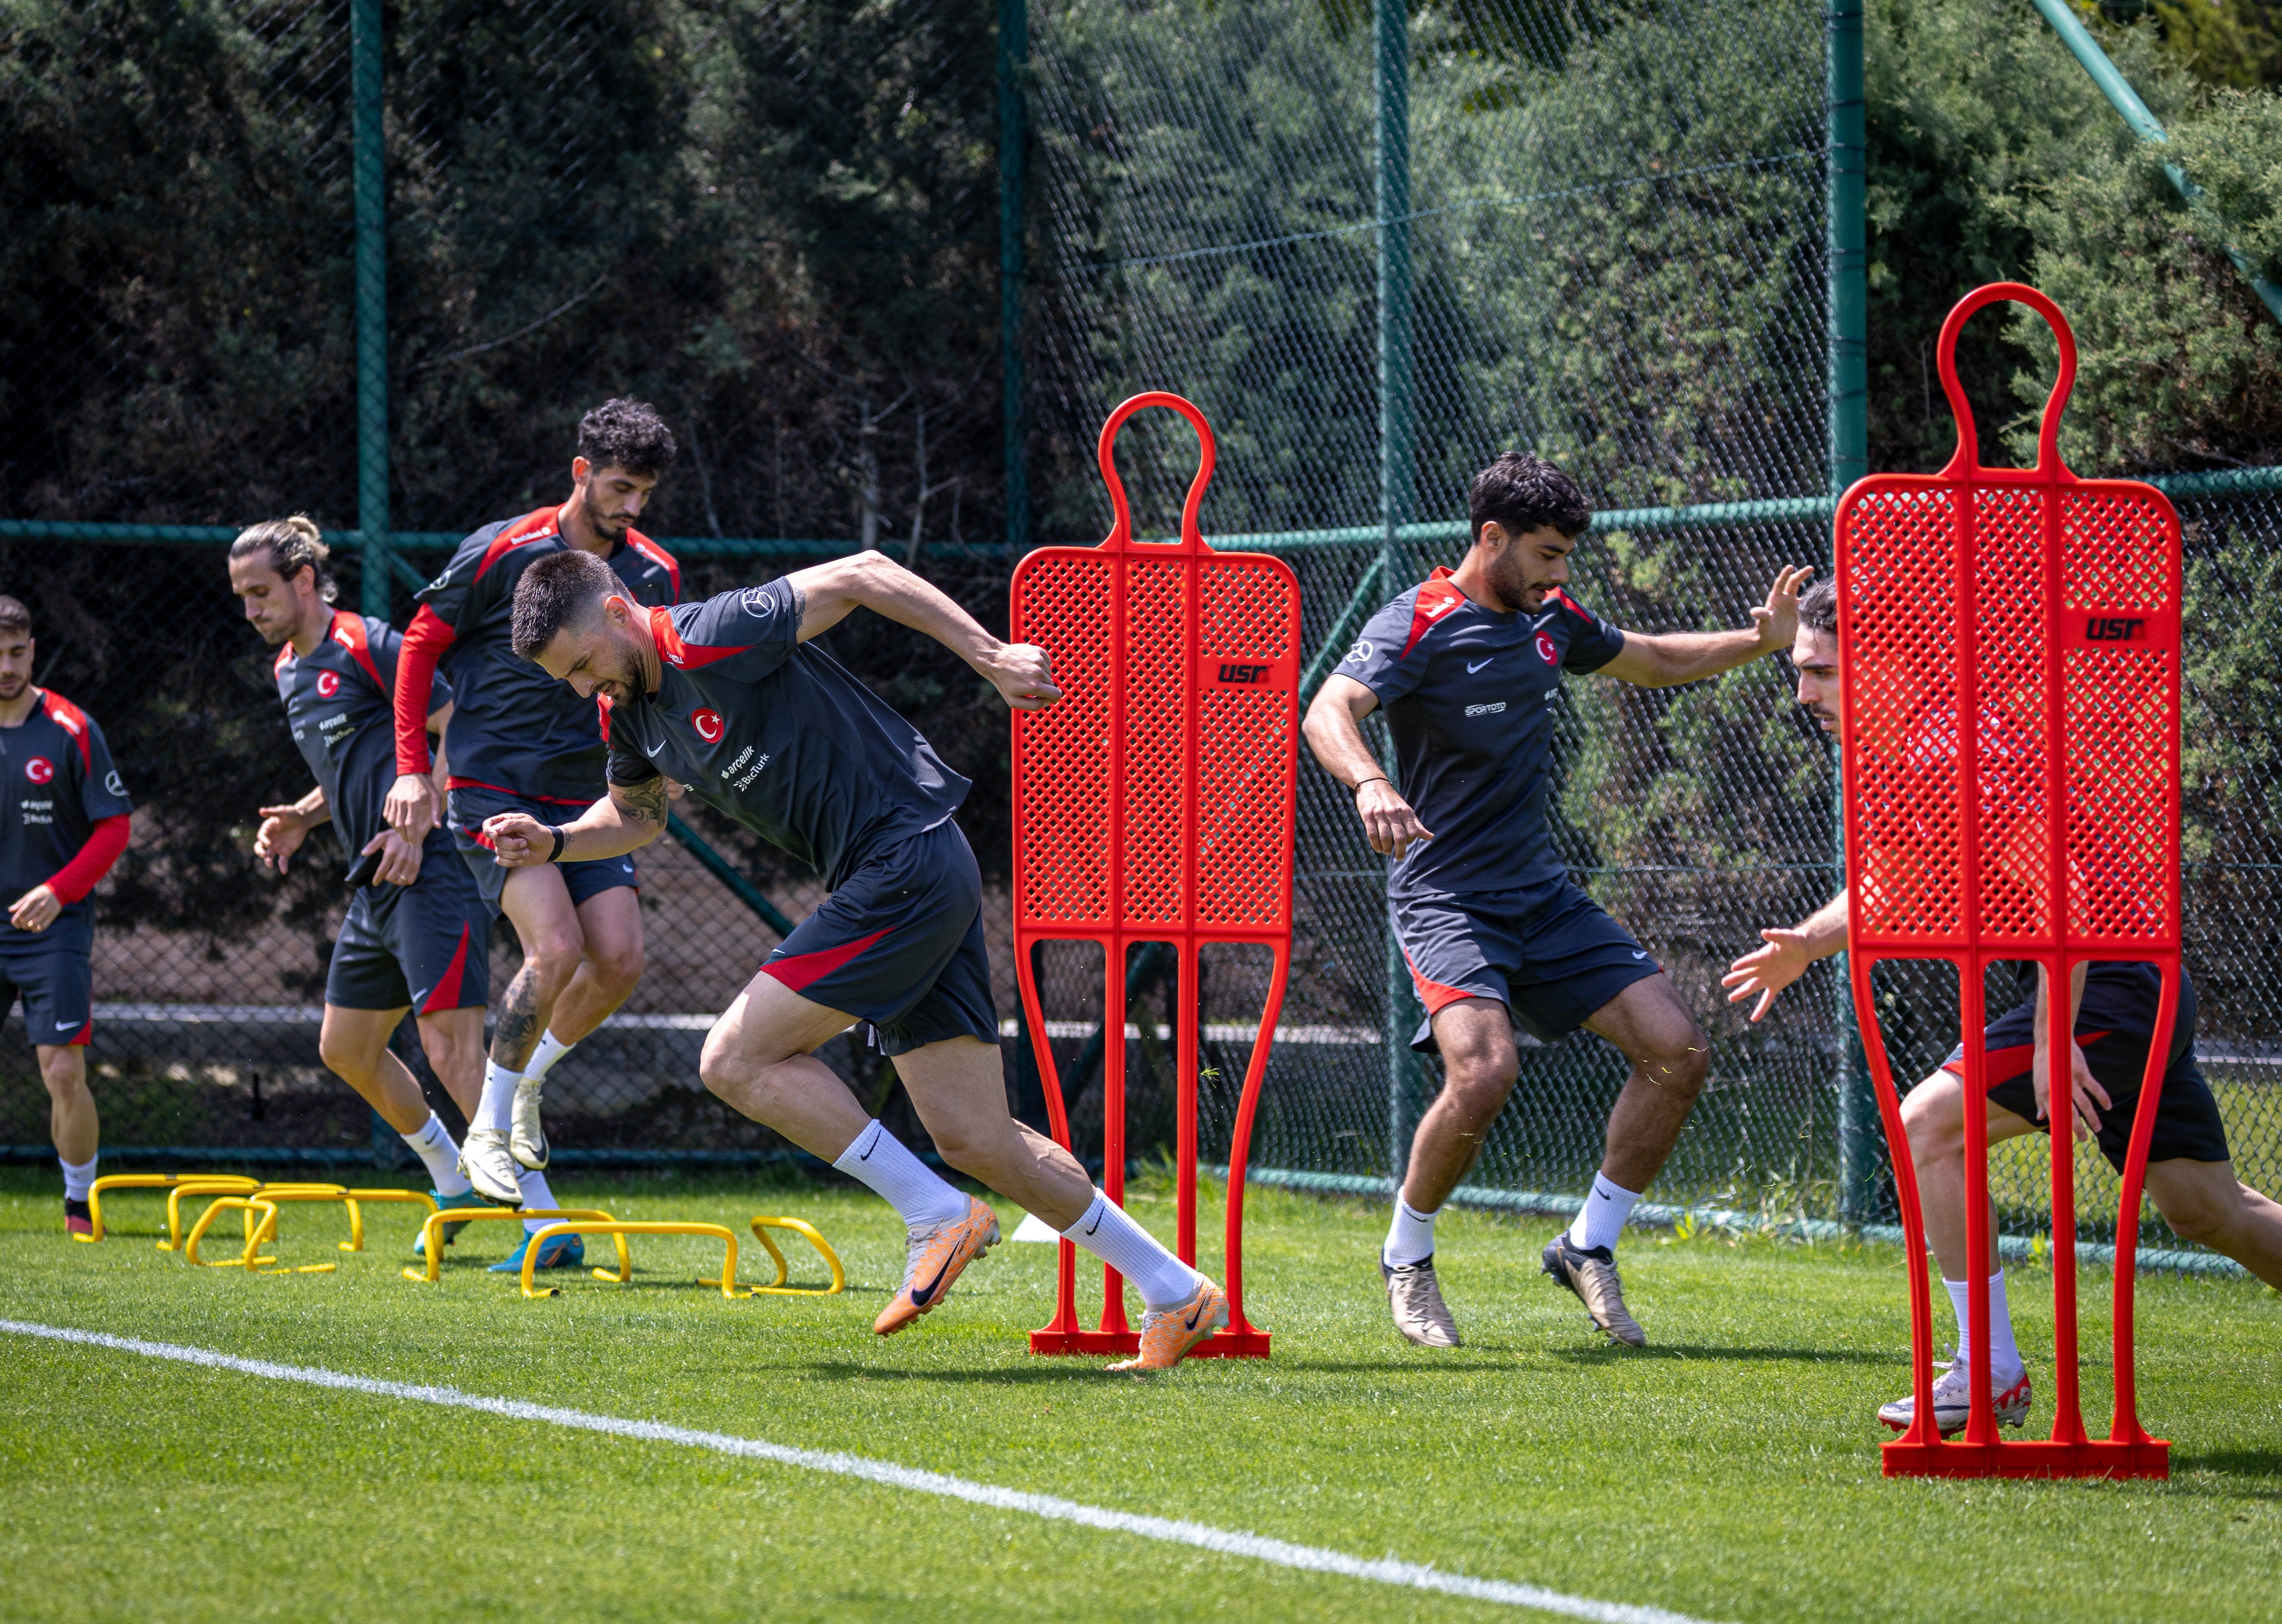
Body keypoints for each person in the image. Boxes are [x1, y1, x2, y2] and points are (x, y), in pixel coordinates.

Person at [486, 546, 1230, 1371]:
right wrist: (554, 841)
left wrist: (990, 658)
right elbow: (637, 818)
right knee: (977, 1138)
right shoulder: (625, 714)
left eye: (585, 664)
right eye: (570, 679)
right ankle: (1176, 1291)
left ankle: (934, 1217)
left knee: (733, 1060)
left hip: (902, 858)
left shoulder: (712, 633)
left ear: (619, 612)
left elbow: (863, 572)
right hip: (901, 874)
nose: (587, 686)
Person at [1724, 575, 2282, 1437]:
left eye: (1824, 672)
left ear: (1890, 665)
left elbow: (2066, 901)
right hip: (2124, 980)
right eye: (1800, 670)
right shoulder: (1916, 747)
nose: (1803, 693)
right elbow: (1895, 883)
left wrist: (2058, 1039)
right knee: (2207, 1209)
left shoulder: (1954, 748)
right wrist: (1806, 944)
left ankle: (1985, 1371)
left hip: (2102, 981)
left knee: (1924, 1127)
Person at [1302, 450, 1812, 1350]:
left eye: (1566, 556)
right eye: (1545, 554)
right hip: (1447, 896)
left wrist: (1761, 642)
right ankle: (1407, 1255)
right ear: (1490, 538)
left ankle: (1588, 1244)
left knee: (1677, 1051)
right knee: (1485, 1070)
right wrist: (1371, 782)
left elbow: (1649, 659)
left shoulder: (1552, 618)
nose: (1560, 573)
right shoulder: (1417, 621)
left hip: (1540, 893)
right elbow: (1328, 709)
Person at [385, 399, 681, 1273]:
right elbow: (417, 652)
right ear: (581, 471)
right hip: (490, 788)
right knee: (552, 950)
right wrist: (412, 768)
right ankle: (495, 1127)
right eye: (620, 488)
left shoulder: (654, 572)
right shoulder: (498, 551)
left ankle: (523, 1093)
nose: (631, 508)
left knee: (618, 959)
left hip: (588, 797)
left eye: (646, 494)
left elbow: (659, 679)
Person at [230, 518, 495, 1252]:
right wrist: (304, 819)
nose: (251, 609)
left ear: (305, 581)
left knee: (451, 1049)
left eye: (262, 592)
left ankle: (546, 1216)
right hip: (374, 882)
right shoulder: (287, 669)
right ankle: (454, 1180)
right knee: (346, 1047)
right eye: (241, 597)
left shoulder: (367, 642)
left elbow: (458, 729)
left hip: (434, 869)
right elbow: (351, 765)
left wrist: (421, 823)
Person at [0, 595, 133, 1235]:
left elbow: (114, 828)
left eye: (17, 652)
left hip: (53, 927)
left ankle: (80, 1202)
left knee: (62, 1070)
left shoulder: (71, 727)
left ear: (32, 649)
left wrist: (59, 890)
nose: (5, 666)